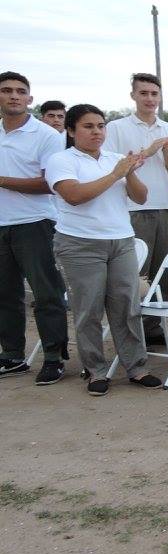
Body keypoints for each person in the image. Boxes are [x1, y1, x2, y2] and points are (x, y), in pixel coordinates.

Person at [45, 105, 162, 396]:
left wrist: (130, 172)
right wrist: (115, 174)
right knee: (89, 309)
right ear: (71, 131)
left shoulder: (115, 159)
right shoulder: (62, 160)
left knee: (127, 306)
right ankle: (96, 370)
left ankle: (136, 367)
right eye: (88, 126)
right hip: (80, 243)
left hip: (121, 240)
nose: (97, 131)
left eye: (100, 125)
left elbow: (141, 196)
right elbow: (74, 196)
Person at [104, 73, 168, 342]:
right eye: (144, 93)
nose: (150, 99)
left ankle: (153, 329)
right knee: (133, 273)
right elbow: (113, 167)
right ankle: (129, 332)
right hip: (131, 207)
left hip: (164, 204)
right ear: (133, 96)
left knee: (160, 271)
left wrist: (165, 152)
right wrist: (150, 149)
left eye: (154, 94)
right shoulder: (116, 128)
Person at [0, 71, 69, 385]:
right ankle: (12, 355)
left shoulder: (46, 135)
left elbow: (50, 183)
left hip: (35, 224)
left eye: (20, 91)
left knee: (46, 294)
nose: (14, 96)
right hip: (1, 224)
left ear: (29, 98)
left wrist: (3, 182)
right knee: (5, 294)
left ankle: (53, 358)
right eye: (6, 90)